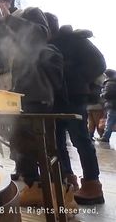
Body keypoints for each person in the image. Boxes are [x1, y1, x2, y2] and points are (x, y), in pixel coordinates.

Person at [0, 0, 72, 207]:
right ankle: (33, 187)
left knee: (43, 145)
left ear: (8, 1)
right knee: (19, 144)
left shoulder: (29, 13)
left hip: (33, 91)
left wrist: (8, 18)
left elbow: (39, 36)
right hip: (7, 95)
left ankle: (61, 190)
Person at [45, 12, 106, 205]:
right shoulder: (44, 46)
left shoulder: (74, 40)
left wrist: (73, 78)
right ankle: (67, 178)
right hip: (54, 100)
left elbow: (98, 63)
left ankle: (92, 183)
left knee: (81, 139)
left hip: (73, 98)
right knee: (57, 142)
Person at [98, 69, 116, 142]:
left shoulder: (109, 83)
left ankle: (105, 137)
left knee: (110, 122)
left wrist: (101, 94)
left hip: (112, 105)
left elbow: (107, 94)